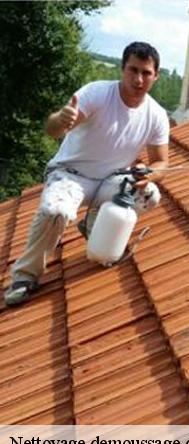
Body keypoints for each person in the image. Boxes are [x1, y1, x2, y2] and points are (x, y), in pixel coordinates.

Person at [4, 41, 170, 306]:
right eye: (133, 70)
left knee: (149, 195)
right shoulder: (97, 93)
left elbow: (161, 162)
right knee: (55, 212)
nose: (139, 79)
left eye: (146, 73)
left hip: (111, 180)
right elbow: (53, 130)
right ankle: (25, 277)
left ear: (156, 76)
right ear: (123, 69)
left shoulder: (157, 115)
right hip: (71, 175)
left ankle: (95, 223)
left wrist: (148, 173)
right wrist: (61, 120)